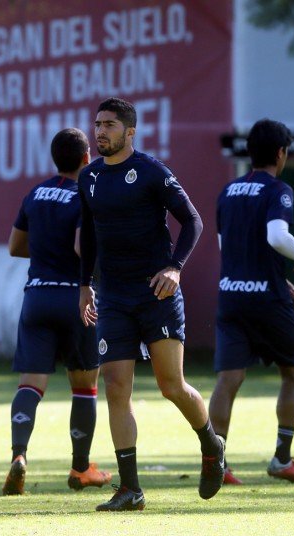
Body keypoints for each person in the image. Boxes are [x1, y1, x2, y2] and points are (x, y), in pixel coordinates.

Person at [78, 97, 224, 511]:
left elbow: (193, 221)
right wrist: (85, 284)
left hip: (156, 293)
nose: (100, 131)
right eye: (97, 124)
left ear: (130, 132)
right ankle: (131, 489)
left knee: (170, 386)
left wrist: (175, 268)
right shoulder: (89, 177)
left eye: (109, 124)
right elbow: (88, 233)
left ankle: (211, 444)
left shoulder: (151, 171)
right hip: (113, 296)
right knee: (115, 386)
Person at [1, 128, 113, 496]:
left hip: (37, 296)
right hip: (75, 297)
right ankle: (81, 468)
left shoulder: (35, 193)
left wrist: (47, 249)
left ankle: (19, 455)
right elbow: (82, 247)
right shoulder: (86, 193)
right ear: (86, 158)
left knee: (31, 383)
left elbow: (15, 247)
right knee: (84, 386)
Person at [208, 118, 294, 484]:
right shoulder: (278, 189)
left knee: (228, 379)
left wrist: (277, 276)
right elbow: (277, 236)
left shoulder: (228, 191)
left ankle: (217, 464)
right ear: (281, 153)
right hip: (266, 300)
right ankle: (282, 459)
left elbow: (228, 248)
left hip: (231, 296)